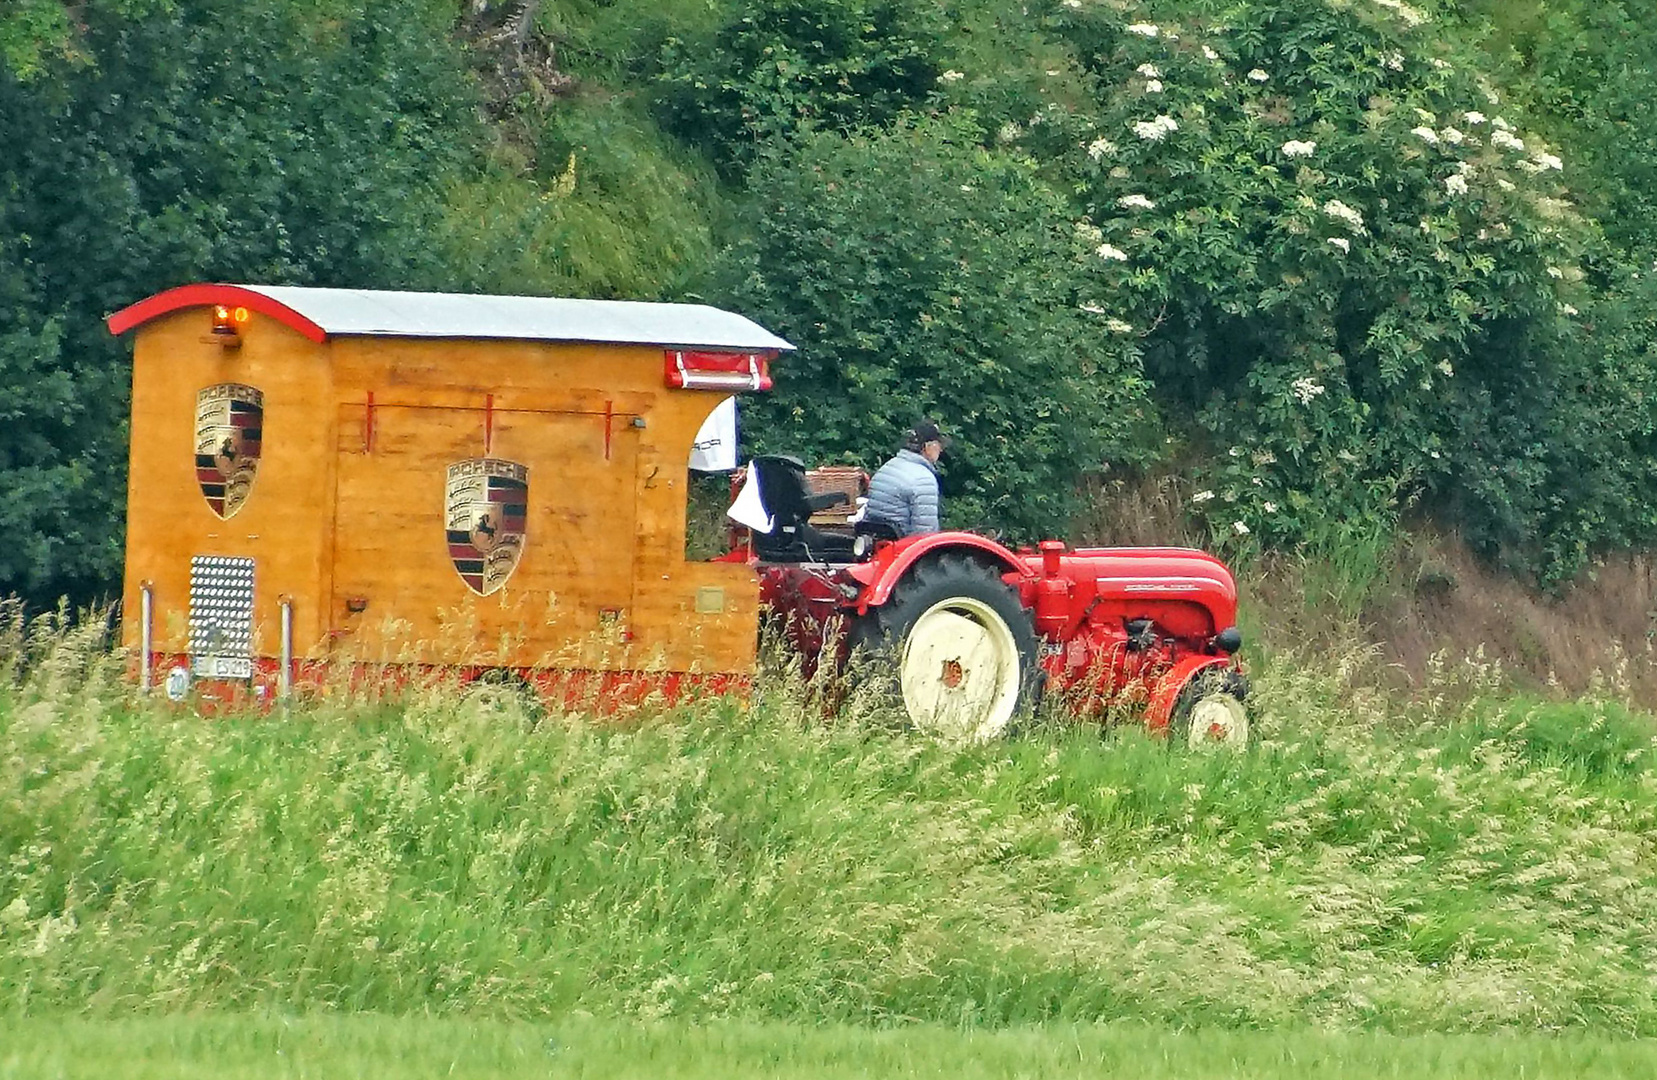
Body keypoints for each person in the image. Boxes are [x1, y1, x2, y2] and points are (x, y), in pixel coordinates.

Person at [864, 420, 946, 536]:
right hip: (900, 546)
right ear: (928, 447)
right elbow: (925, 533)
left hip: (875, 543)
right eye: (939, 445)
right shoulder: (923, 480)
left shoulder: (887, 467)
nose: (941, 450)